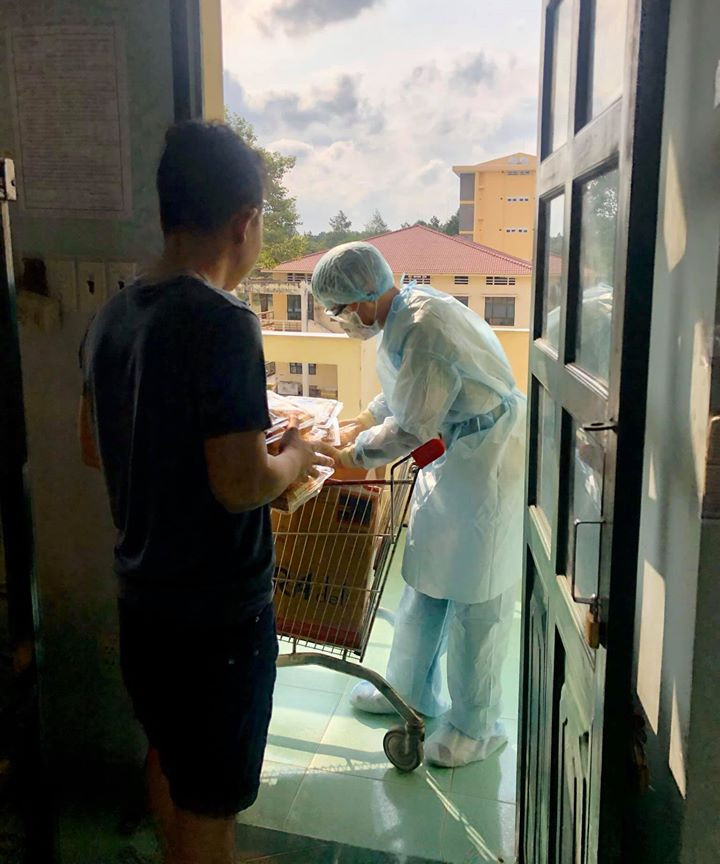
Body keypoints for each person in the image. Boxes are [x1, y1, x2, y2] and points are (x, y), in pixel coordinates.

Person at [78, 121, 331, 864]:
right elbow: (241, 484)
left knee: (168, 756)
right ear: (245, 222)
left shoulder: (113, 315)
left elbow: (96, 447)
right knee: (211, 801)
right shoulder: (223, 321)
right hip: (216, 620)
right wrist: (298, 454)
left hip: (143, 604)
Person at [312, 242, 526, 768]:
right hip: (454, 452)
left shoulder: (425, 327)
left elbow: (411, 426)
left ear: (365, 296)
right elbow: (406, 388)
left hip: (488, 457)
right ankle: (408, 691)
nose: (341, 320)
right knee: (425, 579)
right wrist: (365, 419)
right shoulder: (403, 313)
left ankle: (477, 726)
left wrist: (351, 454)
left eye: (339, 310)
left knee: (476, 597)